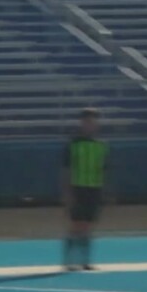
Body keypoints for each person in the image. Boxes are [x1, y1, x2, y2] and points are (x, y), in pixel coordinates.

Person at [61, 108, 109, 271]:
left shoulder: (102, 145)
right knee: (77, 225)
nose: (90, 124)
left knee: (88, 226)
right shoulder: (73, 144)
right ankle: (69, 260)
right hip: (78, 188)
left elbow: (104, 170)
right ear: (82, 123)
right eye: (87, 121)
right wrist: (67, 193)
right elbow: (66, 170)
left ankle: (85, 260)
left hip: (94, 189)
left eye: (93, 121)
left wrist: (105, 191)